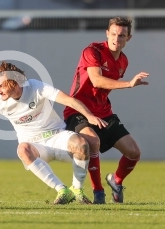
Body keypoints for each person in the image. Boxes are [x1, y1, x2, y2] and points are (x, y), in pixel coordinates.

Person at [0, 61, 107, 205]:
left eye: (1, 86)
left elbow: (68, 100)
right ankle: (62, 190)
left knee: (82, 144)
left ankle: (77, 190)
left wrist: (89, 116)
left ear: (14, 83)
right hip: (35, 147)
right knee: (22, 149)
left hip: (57, 137)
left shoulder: (36, 87)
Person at [63, 17, 149, 204]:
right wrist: (129, 84)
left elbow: (104, 88)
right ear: (107, 34)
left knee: (134, 152)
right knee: (92, 141)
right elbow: (96, 80)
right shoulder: (92, 51)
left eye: (122, 36)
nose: (117, 39)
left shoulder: (123, 61)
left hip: (103, 111)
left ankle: (116, 181)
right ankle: (98, 192)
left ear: (129, 38)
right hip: (79, 109)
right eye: (114, 34)